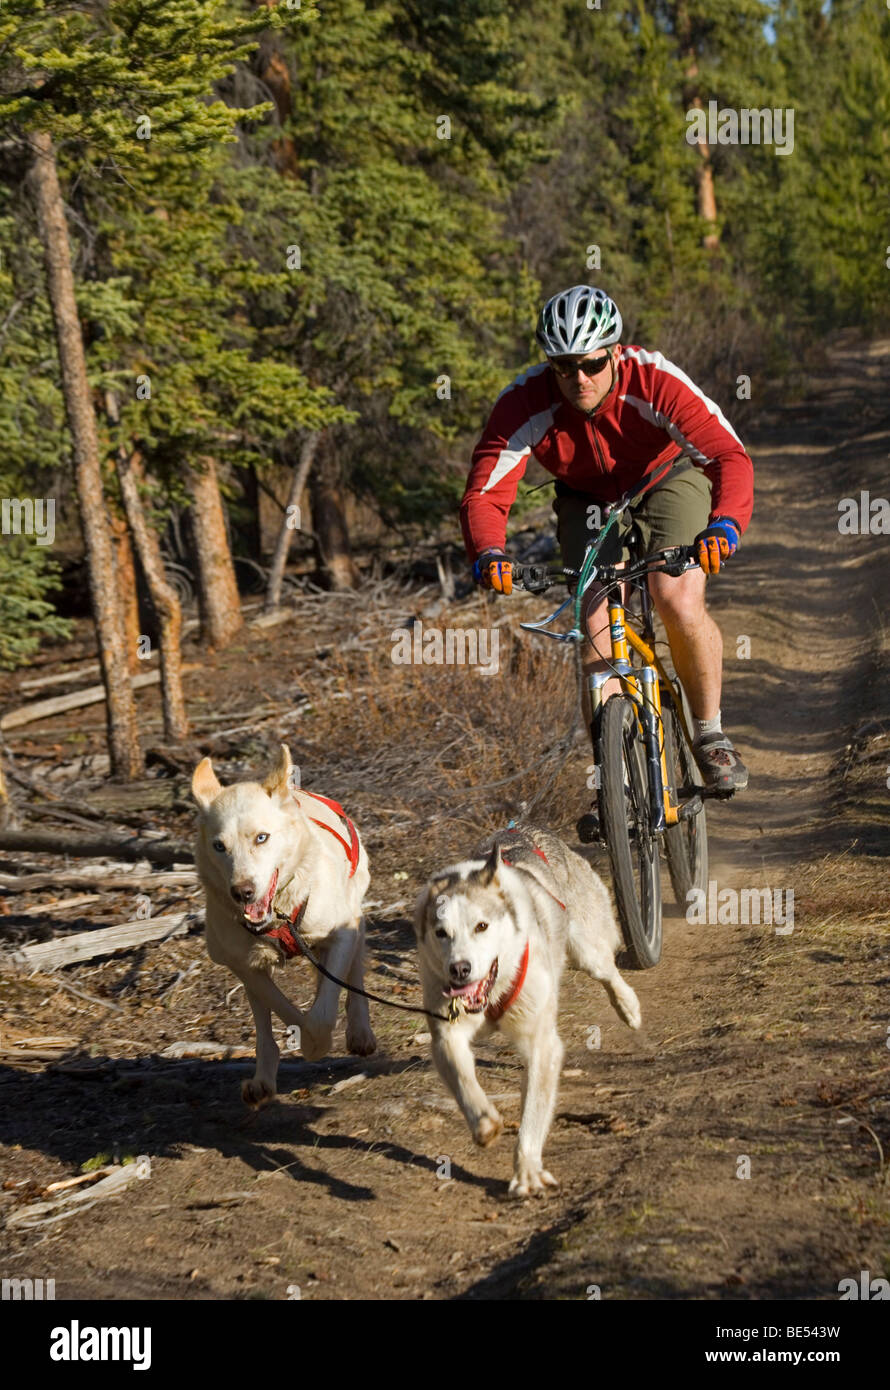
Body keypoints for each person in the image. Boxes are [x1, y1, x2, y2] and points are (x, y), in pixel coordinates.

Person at [460, 283, 752, 811]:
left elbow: (728, 457)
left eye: (593, 364)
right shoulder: (524, 402)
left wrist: (724, 525)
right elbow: (484, 493)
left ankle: (709, 733)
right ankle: (612, 778)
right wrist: (490, 553)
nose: (580, 379)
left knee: (675, 597)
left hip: (666, 478)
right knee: (596, 633)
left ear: (615, 353)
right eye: (565, 366)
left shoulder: (655, 379)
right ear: (550, 364)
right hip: (586, 500)